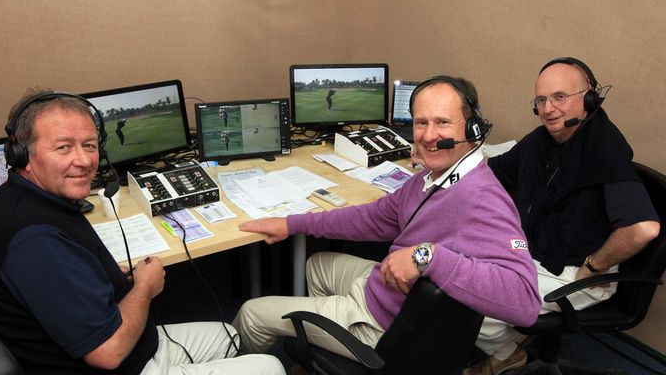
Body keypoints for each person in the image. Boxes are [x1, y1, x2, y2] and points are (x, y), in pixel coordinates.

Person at [0, 91, 284, 375]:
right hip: (122, 360)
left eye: (89, 146)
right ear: (22, 155)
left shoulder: (19, 198)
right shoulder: (34, 241)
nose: (84, 160)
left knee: (231, 337)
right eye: (63, 147)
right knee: (270, 366)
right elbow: (108, 354)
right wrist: (145, 287)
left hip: (137, 343)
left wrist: (92, 273)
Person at [232, 76, 542, 359]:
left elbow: (525, 303)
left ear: (472, 128)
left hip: (383, 323)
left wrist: (427, 256)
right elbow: (373, 217)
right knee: (315, 265)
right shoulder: (434, 178)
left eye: (443, 122)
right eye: (421, 123)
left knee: (251, 315)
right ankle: (323, 354)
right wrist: (291, 224)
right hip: (385, 289)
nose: (429, 135)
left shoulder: (482, 200)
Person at [465, 57, 661, 375]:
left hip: (577, 272)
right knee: (454, 264)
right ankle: (510, 345)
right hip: (535, 251)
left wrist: (594, 267)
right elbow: (496, 171)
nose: (548, 109)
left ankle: (504, 353)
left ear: (589, 98)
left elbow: (643, 228)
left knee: (467, 299)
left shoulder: (604, 149)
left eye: (559, 97)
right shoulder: (544, 140)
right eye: (541, 100)